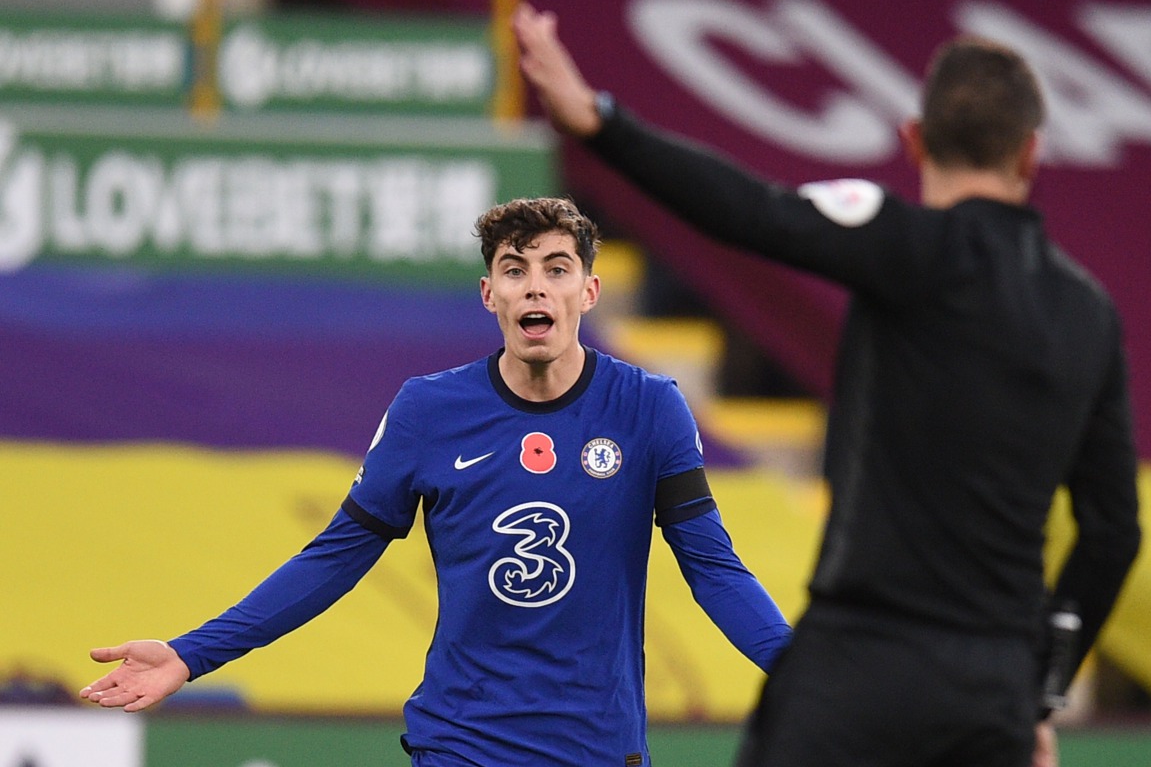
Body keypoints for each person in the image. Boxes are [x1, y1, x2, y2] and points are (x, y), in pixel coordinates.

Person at [512, 3, 1142, 767]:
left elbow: (751, 212)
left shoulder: (904, 245)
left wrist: (598, 123)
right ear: (1032, 154)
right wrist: (1039, 693)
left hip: (861, 662)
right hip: (994, 687)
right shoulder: (1089, 313)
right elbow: (1112, 533)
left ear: (913, 139)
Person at [79, 196, 793, 766]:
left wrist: (803, 673)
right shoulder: (429, 410)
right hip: (462, 741)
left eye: (556, 268)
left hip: (598, 746)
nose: (535, 285)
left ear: (590, 290)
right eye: (515, 270)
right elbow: (336, 556)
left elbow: (714, 568)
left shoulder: (648, 408)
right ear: (490, 295)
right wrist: (192, 652)